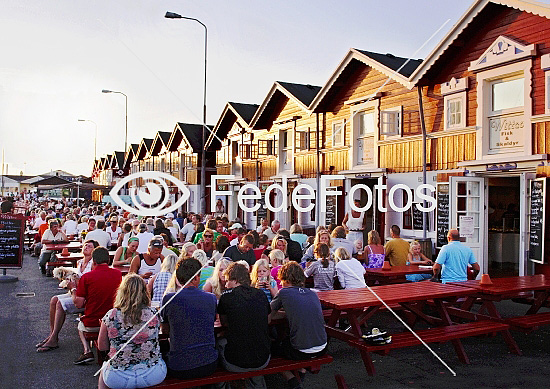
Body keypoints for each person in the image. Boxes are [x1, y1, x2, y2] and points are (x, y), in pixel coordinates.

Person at [98, 274, 167, 389]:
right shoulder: (153, 313)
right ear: (145, 292)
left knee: (103, 370)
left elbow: (101, 346)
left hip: (118, 376)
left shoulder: (111, 315)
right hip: (152, 374)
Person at [271, 261, 327, 389]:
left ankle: (292, 380)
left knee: (271, 349)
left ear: (284, 278)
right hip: (322, 347)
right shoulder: (312, 294)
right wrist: (289, 314)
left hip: (301, 350)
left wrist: (283, 313)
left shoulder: (284, 293)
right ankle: (301, 371)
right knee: (292, 339)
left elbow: (268, 317)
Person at [35, 240, 100, 353]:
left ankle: (54, 338)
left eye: (89, 246)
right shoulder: (80, 262)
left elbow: (90, 283)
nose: (86, 247)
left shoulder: (94, 264)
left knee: (60, 303)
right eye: (85, 245)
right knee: (54, 300)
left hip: (85, 297)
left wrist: (75, 284)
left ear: (95, 250)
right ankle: (52, 334)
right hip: (77, 292)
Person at [160, 258, 218, 379]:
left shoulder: (169, 299)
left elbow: (165, 330)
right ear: (197, 277)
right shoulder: (211, 298)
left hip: (179, 366)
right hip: (208, 363)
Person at [217, 262, 272, 389]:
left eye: (227, 281)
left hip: (235, 362)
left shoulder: (227, 297)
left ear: (235, 280)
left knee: (219, 343)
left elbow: (224, 323)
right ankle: (257, 384)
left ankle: (222, 385)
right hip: (263, 358)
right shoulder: (261, 294)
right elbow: (268, 320)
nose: (226, 285)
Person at [72, 247, 122, 365]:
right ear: (108, 260)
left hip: (93, 322)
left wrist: (73, 288)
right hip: (114, 320)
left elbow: (78, 304)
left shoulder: (87, 277)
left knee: (80, 324)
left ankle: (87, 350)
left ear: (93, 261)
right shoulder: (118, 274)